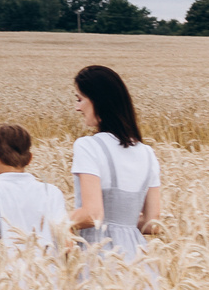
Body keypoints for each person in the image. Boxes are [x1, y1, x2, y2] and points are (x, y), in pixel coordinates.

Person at [68, 64, 164, 262]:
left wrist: (53, 224)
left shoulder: (88, 146)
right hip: (137, 260)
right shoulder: (147, 153)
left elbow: (92, 214)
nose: (77, 107)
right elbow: (152, 224)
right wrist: (123, 222)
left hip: (97, 255)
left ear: (98, 100)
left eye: (80, 99)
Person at [0, 123, 66, 252]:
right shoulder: (52, 192)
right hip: (50, 270)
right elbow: (68, 244)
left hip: (9, 271)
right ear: (29, 158)